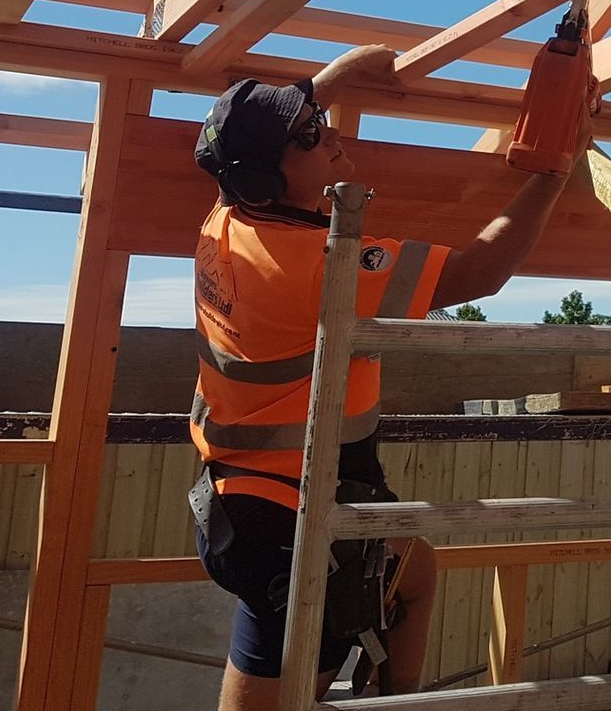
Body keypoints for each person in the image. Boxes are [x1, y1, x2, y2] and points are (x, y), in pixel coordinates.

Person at [189, 44, 584, 708]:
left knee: (416, 567)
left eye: (316, 120)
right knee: (280, 694)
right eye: (310, 136)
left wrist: (327, 80)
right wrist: (554, 172)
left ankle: (396, 697)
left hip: (251, 498)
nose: (332, 133)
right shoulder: (315, 266)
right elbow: (479, 272)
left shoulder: (224, 222)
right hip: (296, 528)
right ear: (265, 180)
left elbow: (234, 140)